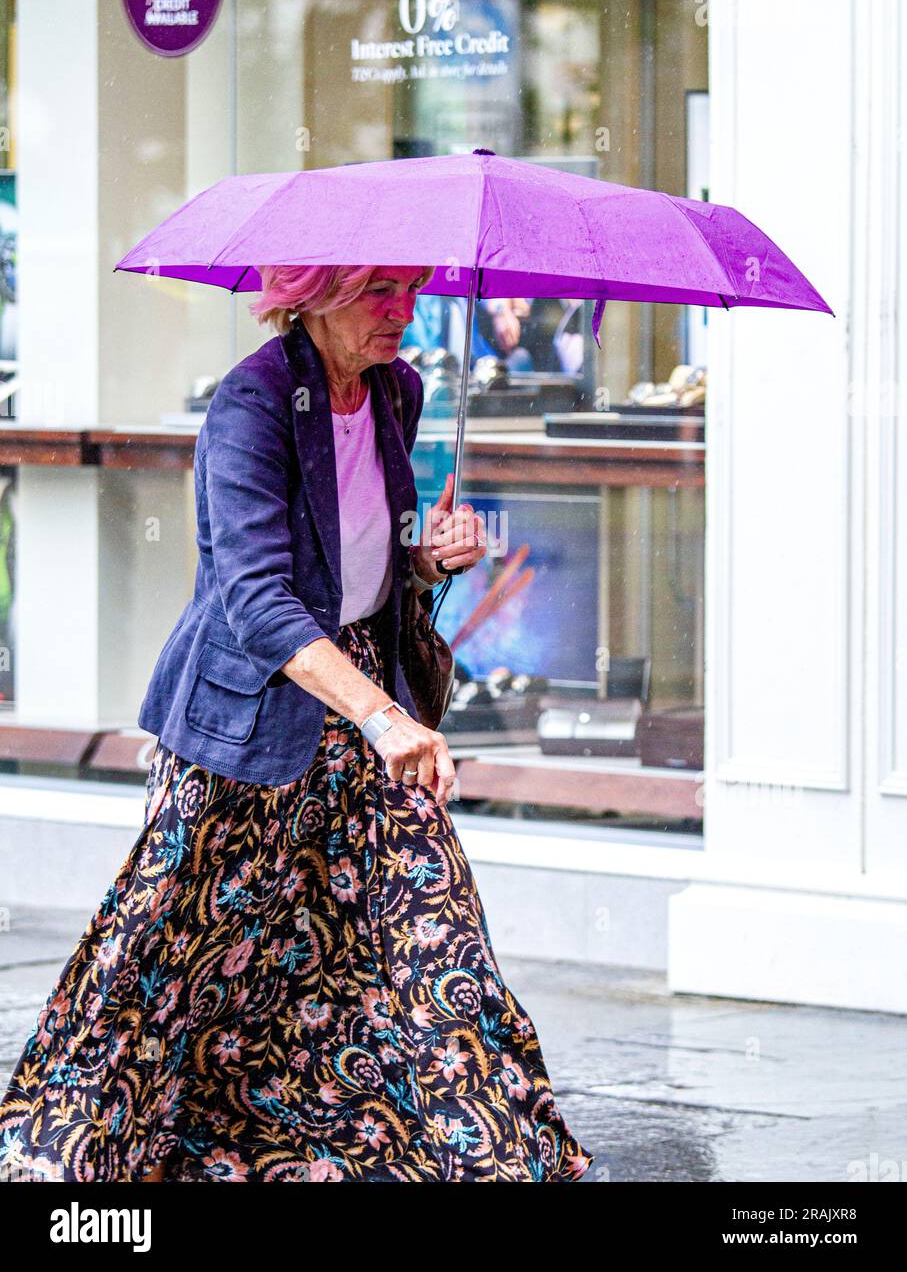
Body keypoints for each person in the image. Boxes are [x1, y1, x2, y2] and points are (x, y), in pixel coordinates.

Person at [0, 263, 594, 1183]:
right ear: (312, 293)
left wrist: (429, 562)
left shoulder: (397, 387)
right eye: (377, 293)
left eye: (410, 293)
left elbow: (363, 558)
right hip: (255, 710)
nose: (401, 313)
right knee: (173, 942)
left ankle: (491, 1154)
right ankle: (69, 1150)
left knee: (429, 921)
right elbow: (259, 601)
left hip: (364, 695)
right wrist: (385, 718)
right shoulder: (252, 403)